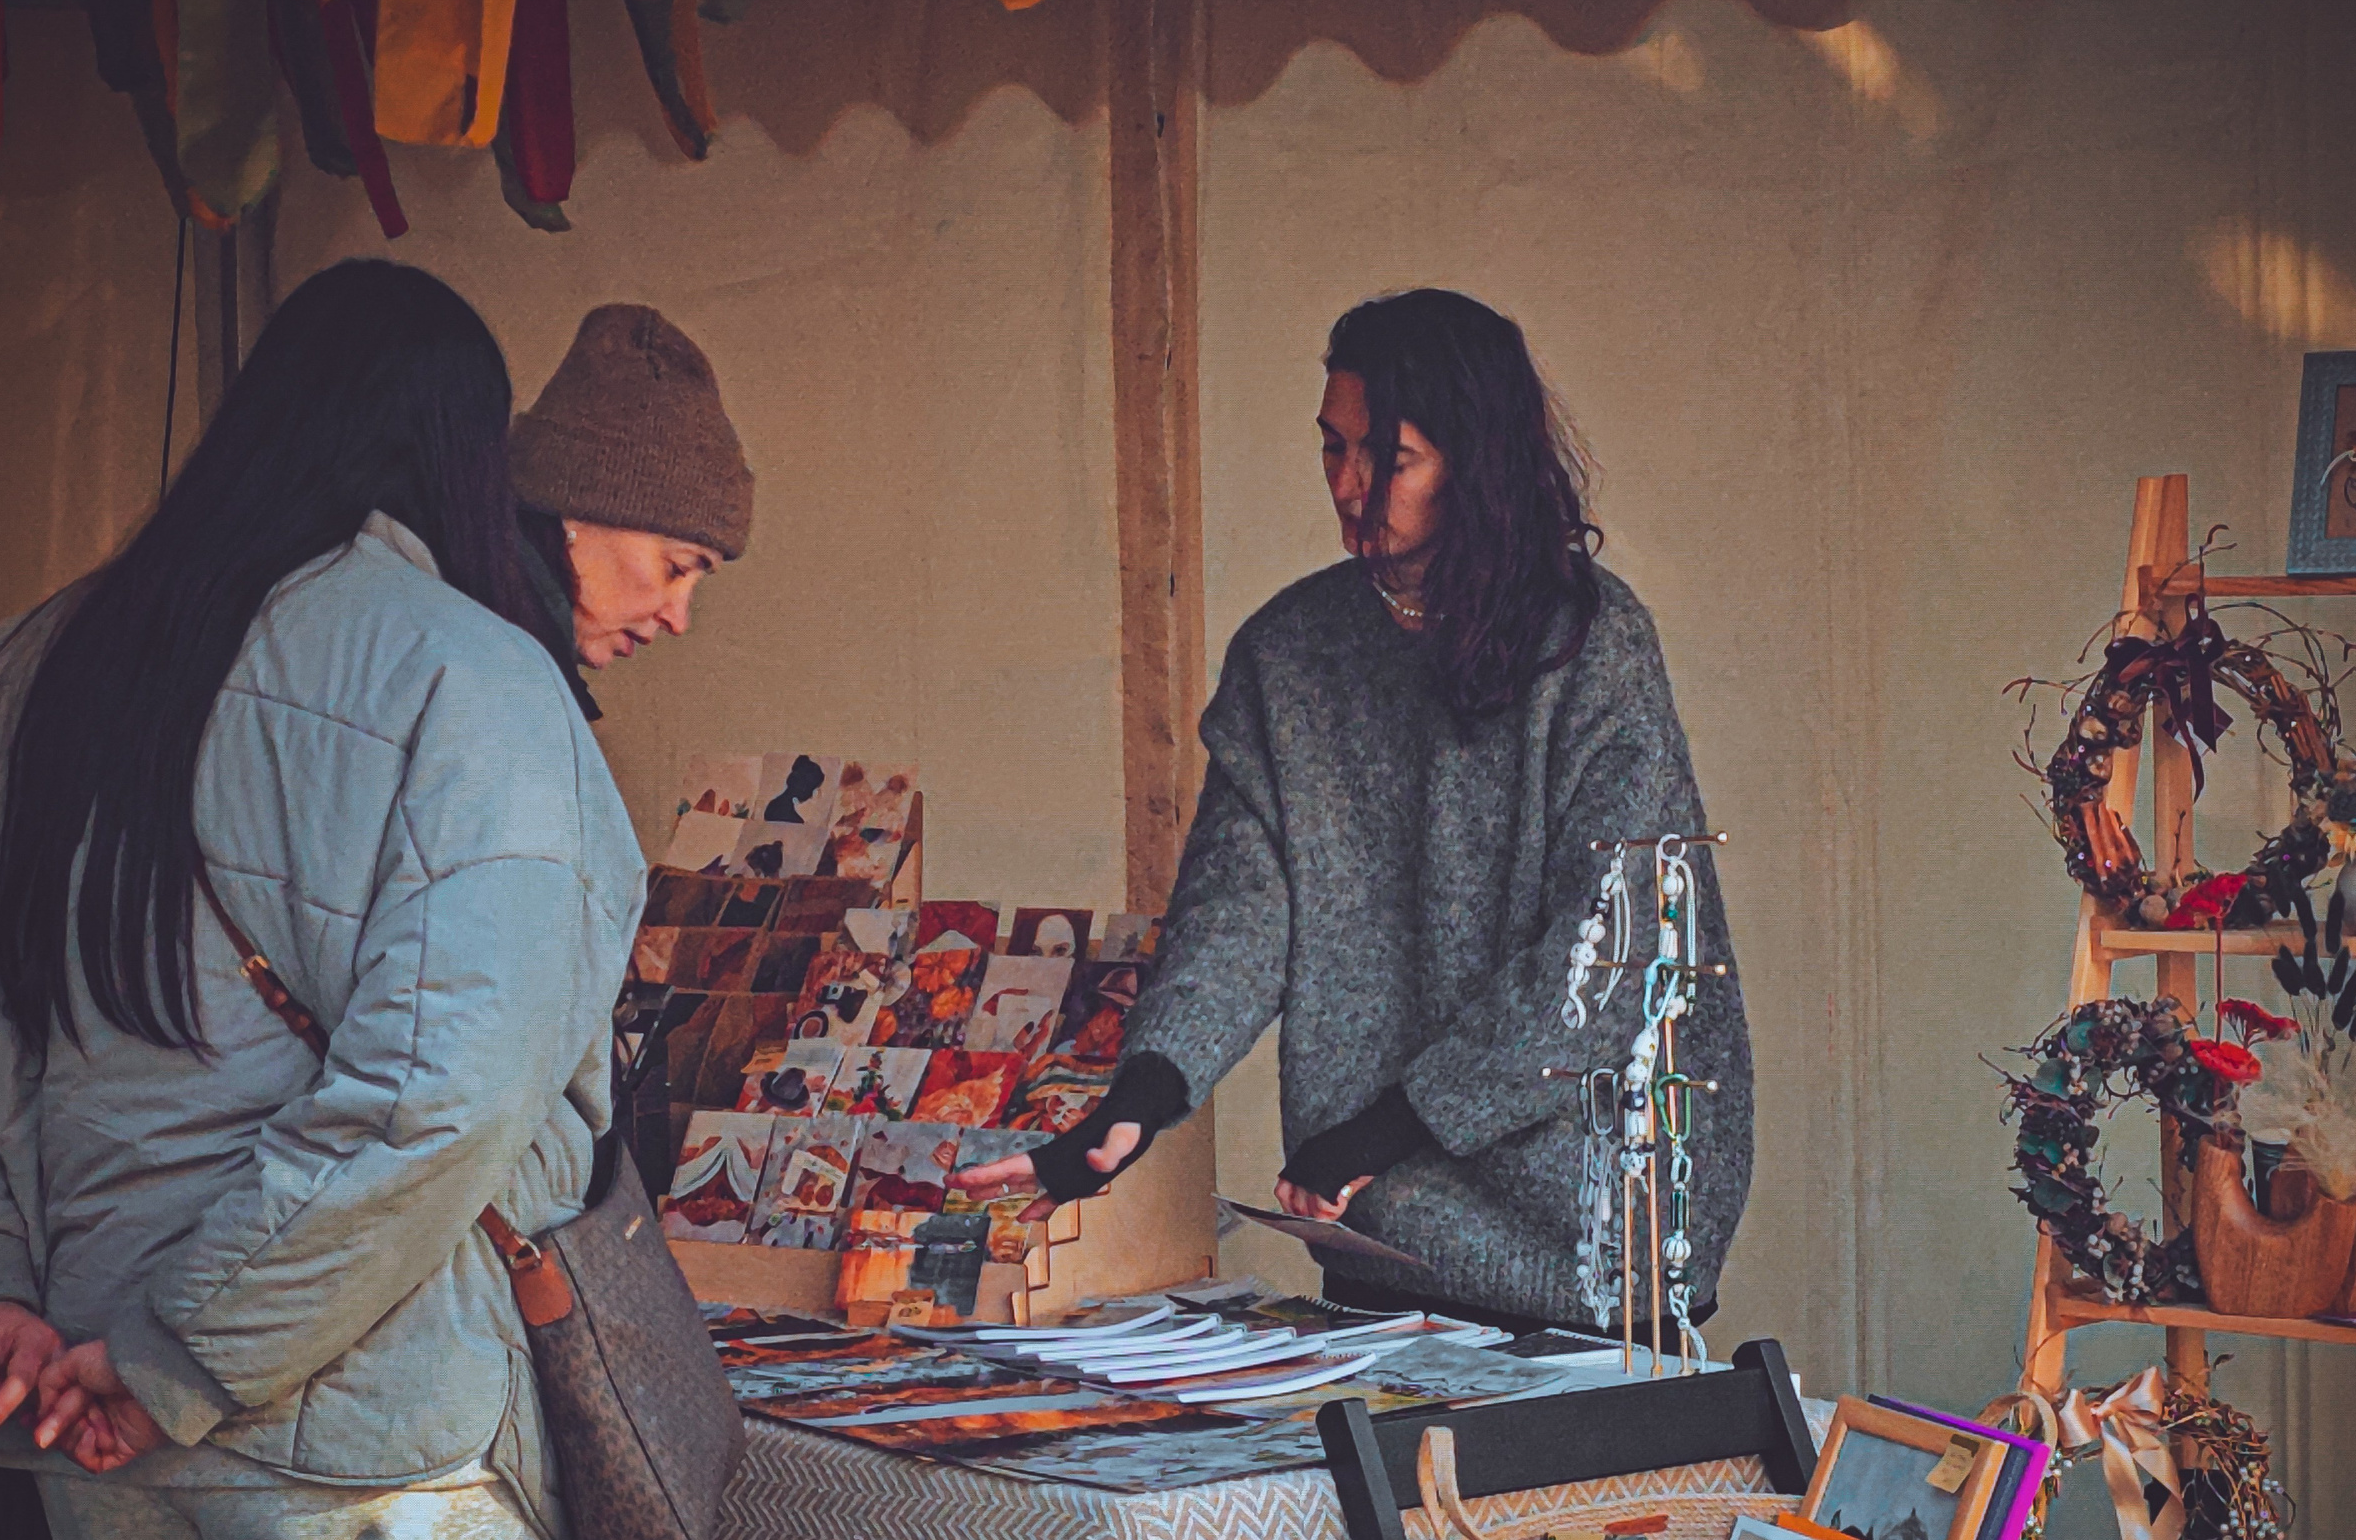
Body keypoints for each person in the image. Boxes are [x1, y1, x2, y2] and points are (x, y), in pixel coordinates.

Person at [0, 259, 644, 1540]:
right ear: (457, 454)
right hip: (364, 1420)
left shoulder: (22, 669)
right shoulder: (472, 679)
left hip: (91, 1410)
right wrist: (178, 1350)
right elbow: (445, 1096)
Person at [953, 288, 1752, 1336]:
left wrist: (1393, 1122)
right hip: (1378, 1224)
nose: (1348, 483)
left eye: (1389, 456)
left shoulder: (1591, 644)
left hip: (1599, 1225)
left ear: (1477, 460)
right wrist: (1142, 1093)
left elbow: (1619, 948)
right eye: (1332, 448)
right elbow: (1239, 912)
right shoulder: (1286, 655)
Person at [509, 302, 754, 717]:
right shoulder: (478, 682)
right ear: (574, 508)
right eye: (676, 568)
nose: (679, 621)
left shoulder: (510, 670)